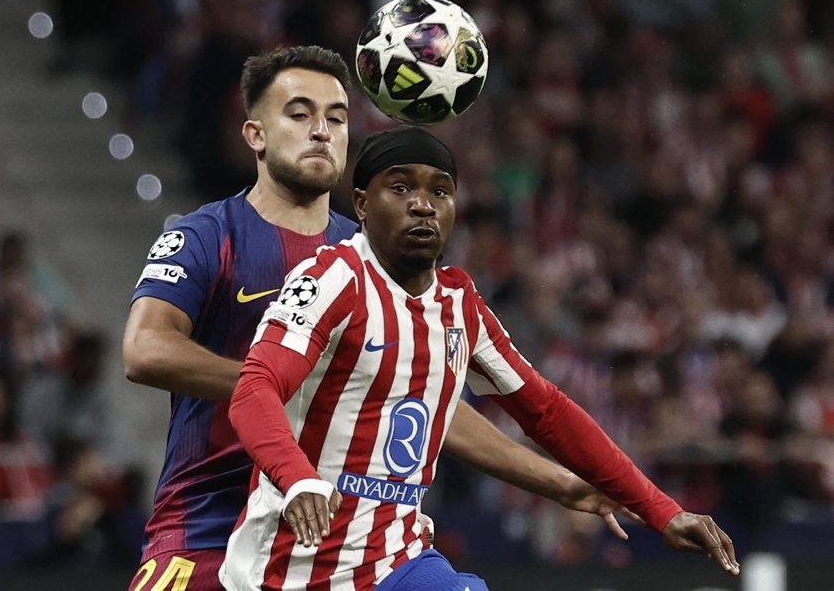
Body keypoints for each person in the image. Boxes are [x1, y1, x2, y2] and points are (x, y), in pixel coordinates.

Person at [123, 46, 639, 590]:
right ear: (256, 135)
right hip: (206, 526)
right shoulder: (208, 235)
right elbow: (145, 349)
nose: (321, 131)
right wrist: (297, 384)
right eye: (299, 114)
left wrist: (561, 482)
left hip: (341, 550)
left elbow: (428, 401)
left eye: (336, 118)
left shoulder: (379, 256)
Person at [221, 125, 741, 589]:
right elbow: (254, 388)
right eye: (400, 188)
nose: (423, 205)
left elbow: (547, 411)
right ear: (361, 203)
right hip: (295, 568)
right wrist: (298, 476)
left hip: (397, 560)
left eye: (440, 191)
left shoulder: (458, 305)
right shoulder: (333, 279)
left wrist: (661, 510)